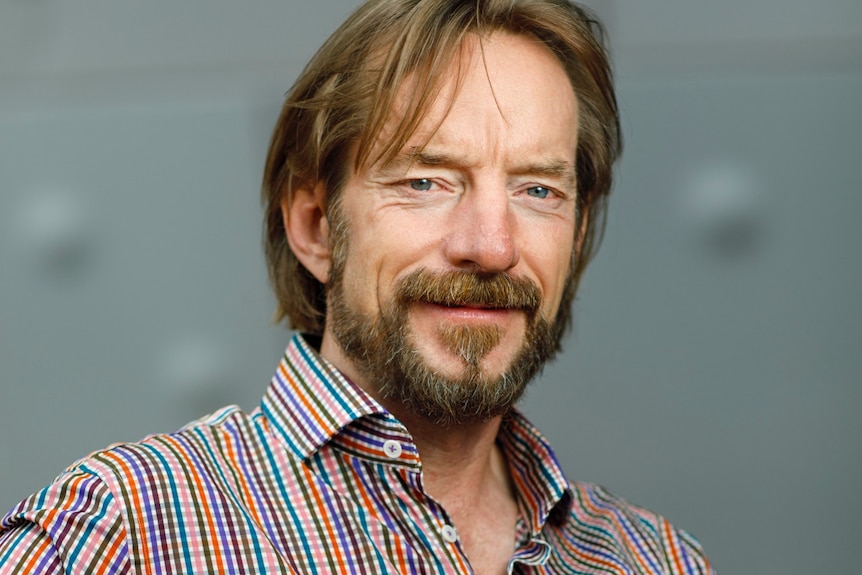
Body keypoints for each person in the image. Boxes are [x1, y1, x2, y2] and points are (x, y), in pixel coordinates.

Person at [0, 0, 714, 573]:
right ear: (315, 226)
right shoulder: (120, 533)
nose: (491, 246)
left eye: (536, 189)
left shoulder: (652, 559)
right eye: (426, 181)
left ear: (579, 233)